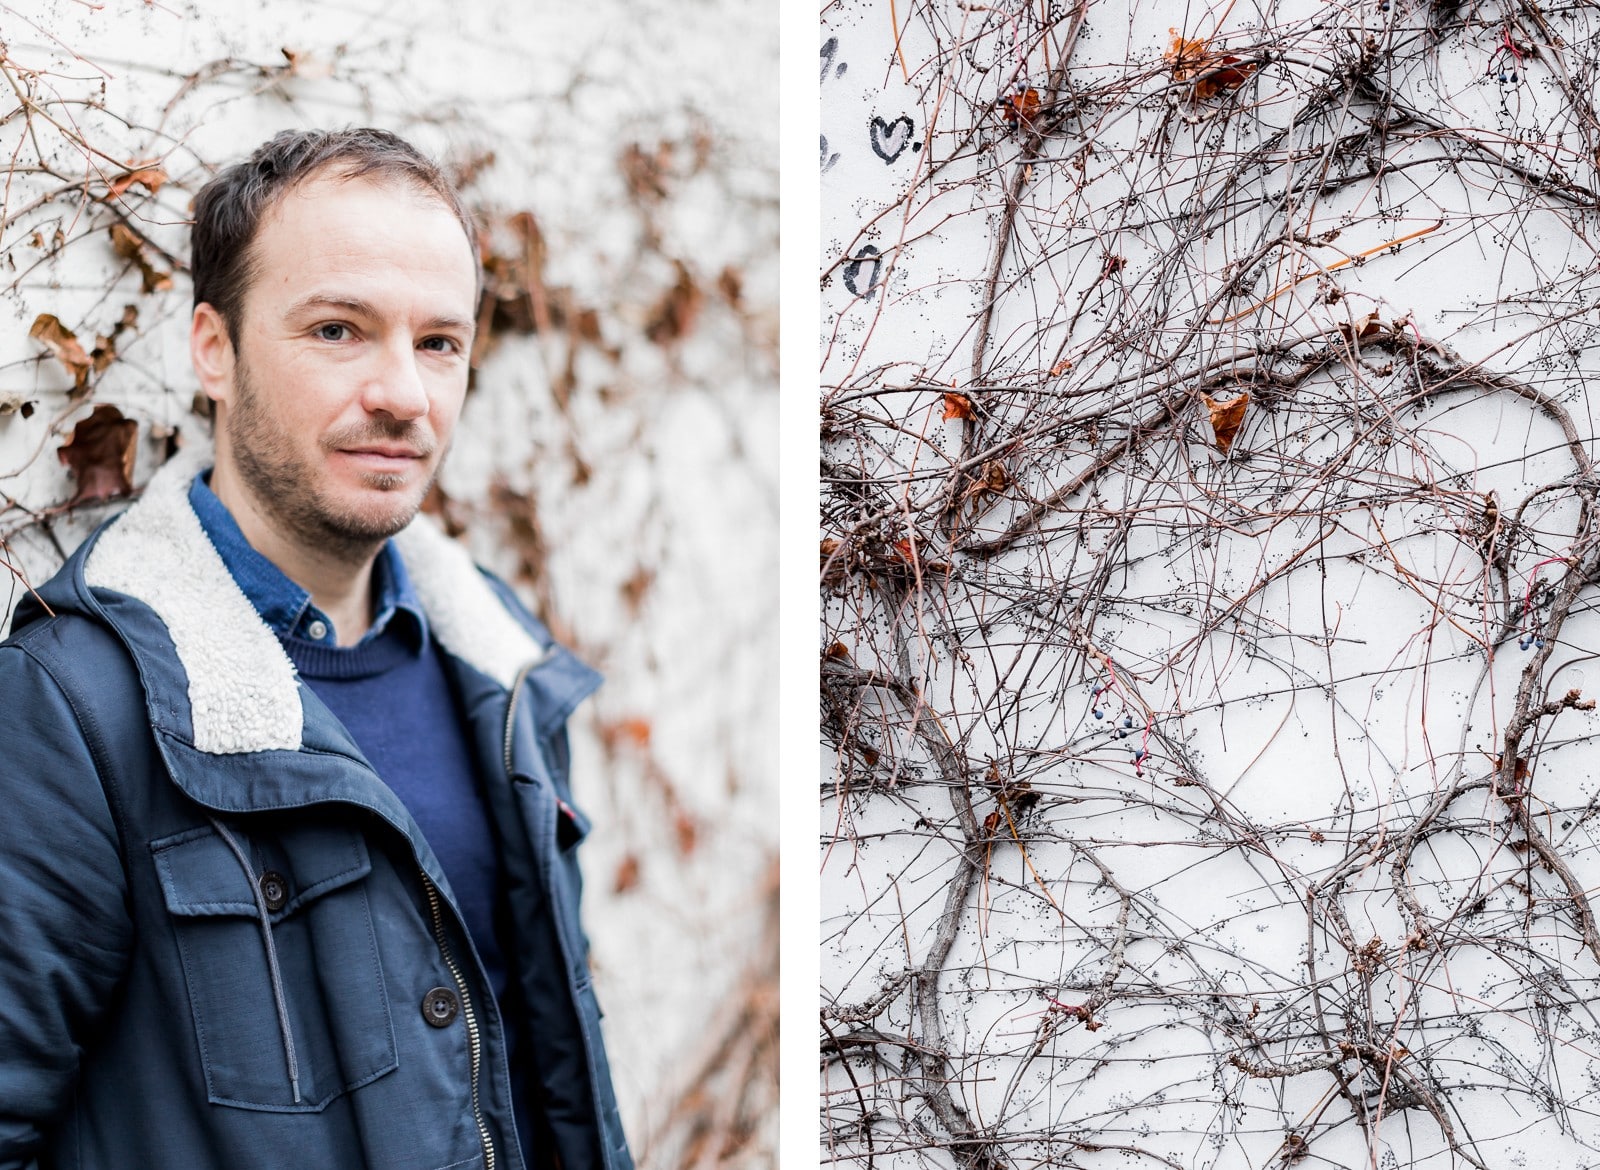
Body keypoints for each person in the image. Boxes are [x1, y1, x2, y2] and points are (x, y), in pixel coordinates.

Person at [0, 128, 632, 1170]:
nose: (402, 395)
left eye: (438, 342)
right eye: (339, 330)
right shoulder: (73, 707)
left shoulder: (503, 668)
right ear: (215, 346)